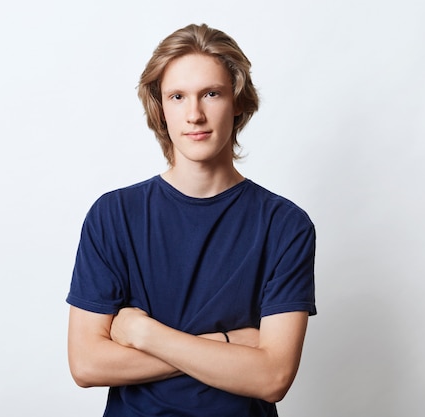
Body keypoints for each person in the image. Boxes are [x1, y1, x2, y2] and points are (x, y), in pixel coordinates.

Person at [66, 23, 316, 417]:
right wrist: (229, 344)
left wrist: (144, 334)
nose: (194, 114)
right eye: (177, 96)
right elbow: (87, 364)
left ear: (236, 102)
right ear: (160, 108)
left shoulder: (285, 225)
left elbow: (272, 378)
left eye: (211, 94)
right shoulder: (113, 215)